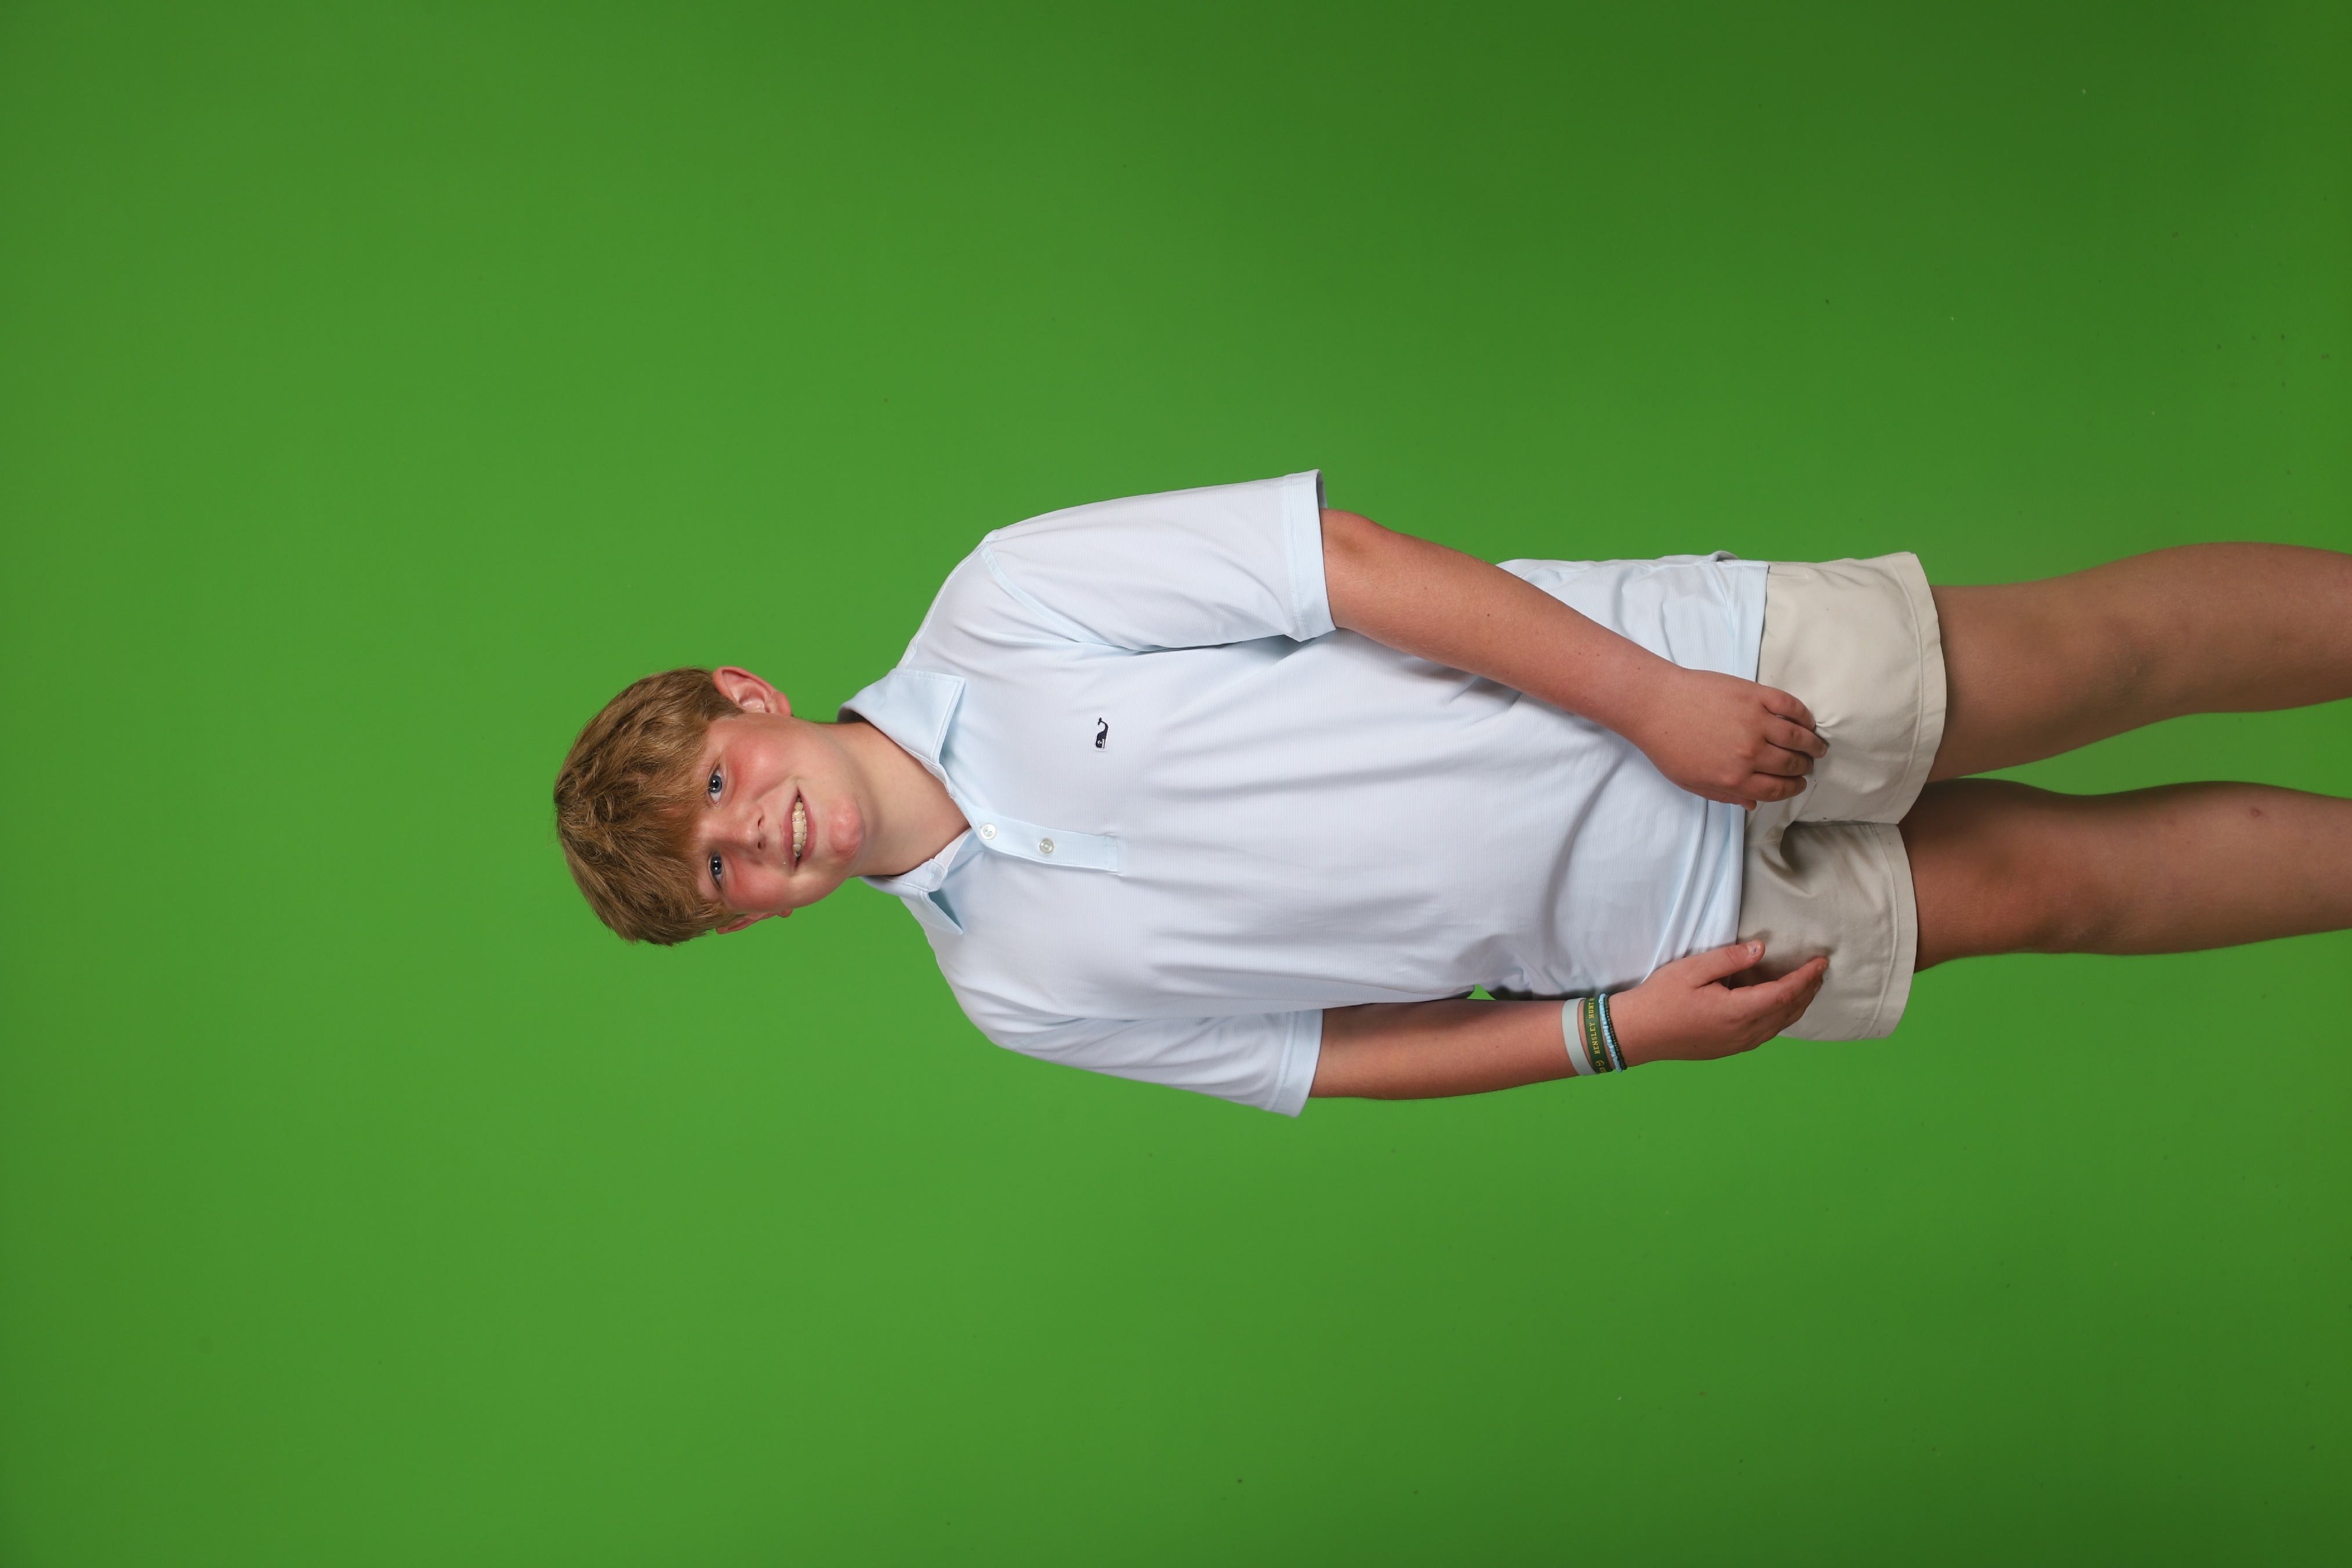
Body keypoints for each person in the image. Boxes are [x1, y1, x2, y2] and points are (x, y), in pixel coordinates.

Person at [553, 473, 2352, 1114]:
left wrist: (1656, 701)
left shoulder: (1007, 600)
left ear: (749, 698)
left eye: (722, 782)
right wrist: (1614, 1035)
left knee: (2100, 658)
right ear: (742, 917)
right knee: (2064, 895)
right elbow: (1332, 1056)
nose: (753, 833)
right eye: (719, 872)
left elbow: (1347, 567)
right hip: (1676, 935)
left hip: (1697, 678)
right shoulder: (1011, 994)